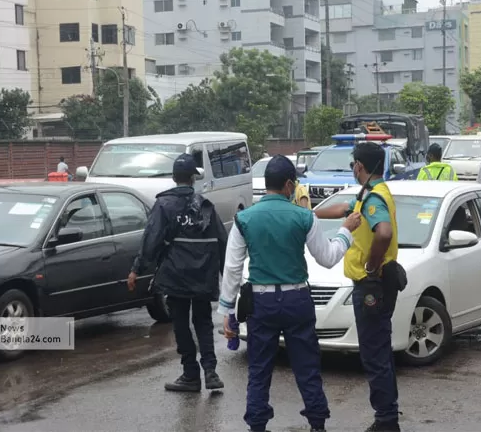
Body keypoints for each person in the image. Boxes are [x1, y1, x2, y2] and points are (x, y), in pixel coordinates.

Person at [219, 155, 361, 432]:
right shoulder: (304, 216)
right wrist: (345, 231)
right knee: (307, 367)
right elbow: (328, 258)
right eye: (294, 184)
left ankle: (257, 425)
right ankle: (317, 423)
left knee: (259, 369)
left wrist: (226, 311)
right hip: (297, 300)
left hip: (261, 302)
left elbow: (233, 269)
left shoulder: (243, 219)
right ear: (287, 185)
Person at [315, 142, 401, 432]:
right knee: (379, 350)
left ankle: (386, 421)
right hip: (374, 284)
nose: (352, 168)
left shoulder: (374, 199)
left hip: (371, 285)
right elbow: (343, 208)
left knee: (374, 354)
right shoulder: (371, 194)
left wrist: (371, 266)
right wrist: (309, 213)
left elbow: (384, 233)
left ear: (359, 167)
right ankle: (387, 415)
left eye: (353, 164)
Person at [127, 153, 228, 393]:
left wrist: (136, 269)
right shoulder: (205, 205)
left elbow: (150, 241)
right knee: (203, 322)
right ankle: (211, 372)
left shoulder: (164, 205)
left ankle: (191, 375)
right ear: (193, 178)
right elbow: (222, 242)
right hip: (203, 276)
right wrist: (229, 278)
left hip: (176, 275)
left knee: (181, 324)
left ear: (174, 177)